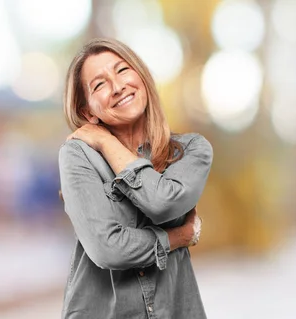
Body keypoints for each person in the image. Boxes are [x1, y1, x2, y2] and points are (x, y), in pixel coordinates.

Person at [58, 38, 213, 319]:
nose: (117, 87)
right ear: (87, 112)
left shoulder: (191, 150)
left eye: (122, 70)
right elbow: (108, 249)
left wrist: (107, 142)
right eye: (99, 84)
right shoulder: (77, 155)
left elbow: (162, 203)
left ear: (141, 76)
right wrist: (177, 238)